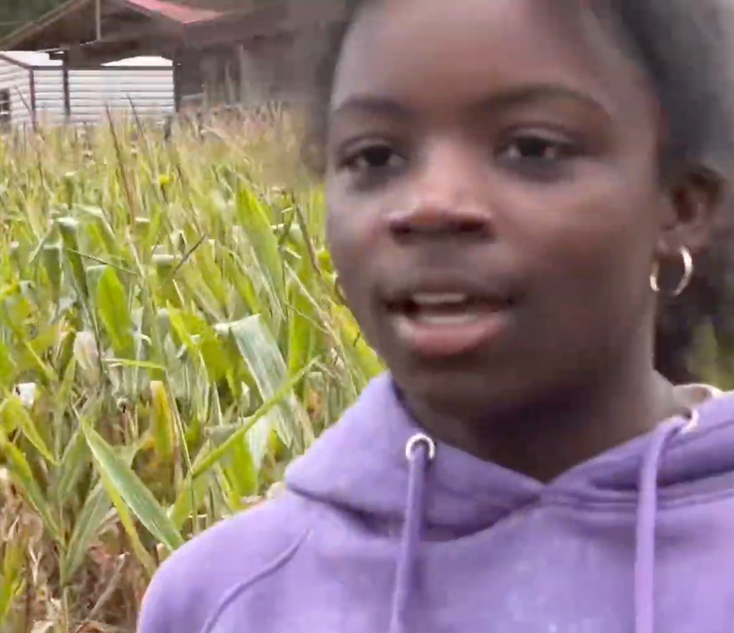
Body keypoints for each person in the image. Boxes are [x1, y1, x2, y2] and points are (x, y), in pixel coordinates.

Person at [135, 0, 734, 632]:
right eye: (375, 158)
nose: (432, 205)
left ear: (680, 207)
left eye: (532, 148)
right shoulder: (226, 599)